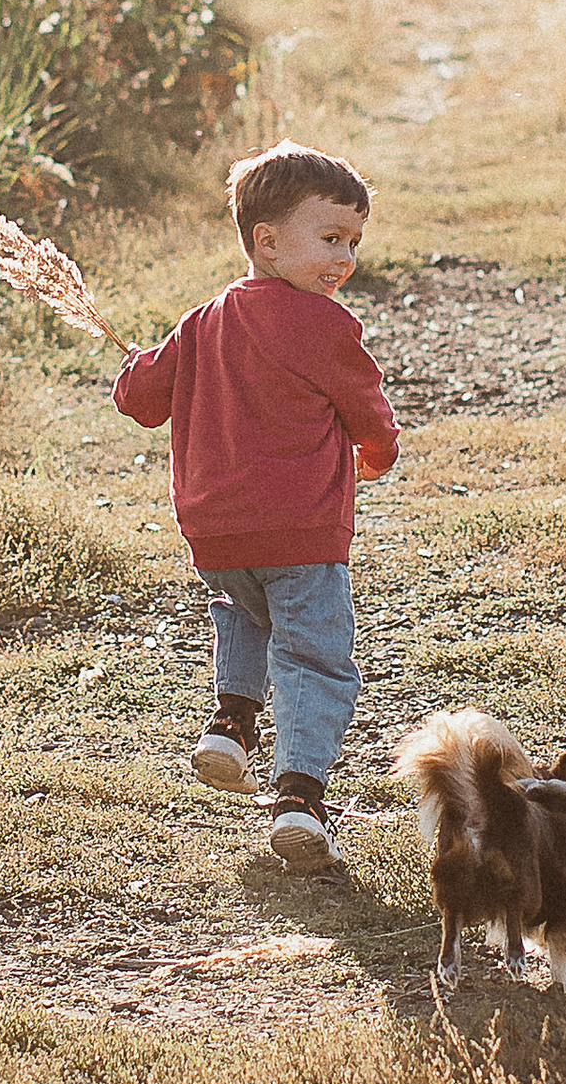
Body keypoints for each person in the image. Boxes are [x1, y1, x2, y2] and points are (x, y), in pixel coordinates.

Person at [111, 140, 396, 871]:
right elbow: (367, 407)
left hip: (217, 530)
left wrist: (138, 364)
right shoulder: (326, 326)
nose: (345, 260)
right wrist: (379, 452)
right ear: (266, 242)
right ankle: (299, 795)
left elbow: (139, 402)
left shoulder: (201, 320)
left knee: (244, 613)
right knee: (314, 657)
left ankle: (230, 723)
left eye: (354, 243)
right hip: (301, 528)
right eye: (330, 239)